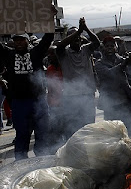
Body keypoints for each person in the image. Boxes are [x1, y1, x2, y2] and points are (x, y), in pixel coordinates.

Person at [0, 31, 54, 159]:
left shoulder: (36, 52)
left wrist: (48, 21)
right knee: (22, 135)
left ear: (28, 41)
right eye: (16, 40)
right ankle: (21, 163)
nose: (18, 42)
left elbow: (48, 37)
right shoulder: (9, 54)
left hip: (39, 101)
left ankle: (43, 162)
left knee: (42, 133)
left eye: (21, 40)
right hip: (19, 103)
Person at [56, 17, 101, 138]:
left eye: (78, 37)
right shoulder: (63, 53)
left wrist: (85, 28)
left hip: (88, 94)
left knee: (89, 126)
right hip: (71, 96)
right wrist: (78, 31)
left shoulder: (86, 50)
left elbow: (97, 43)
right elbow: (60, 45)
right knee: (73, 129)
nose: (76, 39)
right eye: (73, 37)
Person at [94, 35, 131, 138]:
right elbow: (110, 73)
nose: (109, 48)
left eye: (112, 46)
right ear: (103, 48)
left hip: (127, 100)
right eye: (107, 46)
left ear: (116, 47)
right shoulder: (99, 64)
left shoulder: (122, 59)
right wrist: (123, 64)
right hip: (111, 103)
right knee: (113, 132)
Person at [45, 46, 65, 150]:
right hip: (54, 104)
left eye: (53, 53)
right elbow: (50, 88)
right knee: (55, 129)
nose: (50, 56)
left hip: (66, 102)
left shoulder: (65, 67)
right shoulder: (50, 69)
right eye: (49, 54)